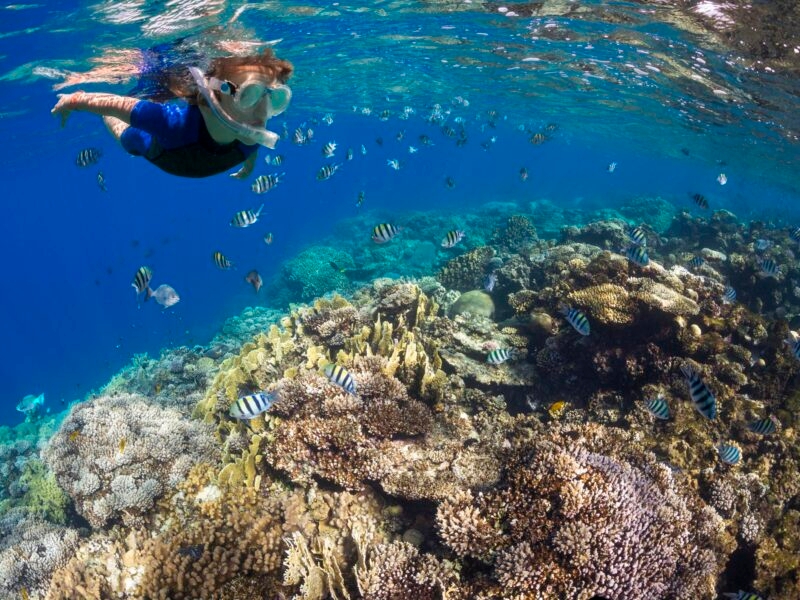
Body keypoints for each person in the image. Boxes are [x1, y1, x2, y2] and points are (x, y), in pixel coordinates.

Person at [51, 49, 293, 179]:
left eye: (275, 98)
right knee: (128, 138)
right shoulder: (170, 123)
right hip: (166, 153)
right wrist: (74, 100)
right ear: (209, 97)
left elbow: (253, 145)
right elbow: (119, 105)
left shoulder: (251, 125)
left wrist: (248, 167)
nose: (264, 111)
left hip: (191, 159)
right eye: (250, 95)